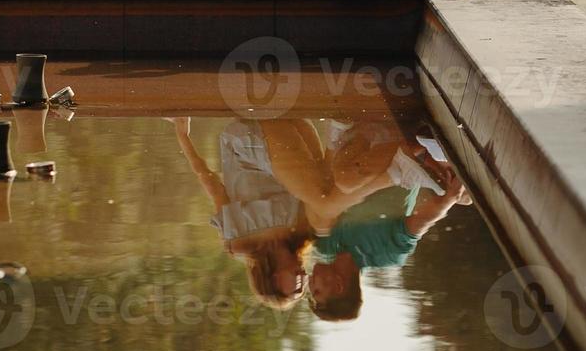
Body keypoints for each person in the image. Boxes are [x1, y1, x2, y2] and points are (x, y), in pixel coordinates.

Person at [173, 115, 470, 316]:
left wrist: (182, 135)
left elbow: (211, 183)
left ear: (274, 278)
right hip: (293, 139)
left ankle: (399, 171)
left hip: (247, 145)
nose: (305, 278)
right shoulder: (304, 235)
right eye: (309, 287)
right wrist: (452, 198)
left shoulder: (238, 241)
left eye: (299, 286)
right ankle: (367, 145)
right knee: (333, 192)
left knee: (325, 204)